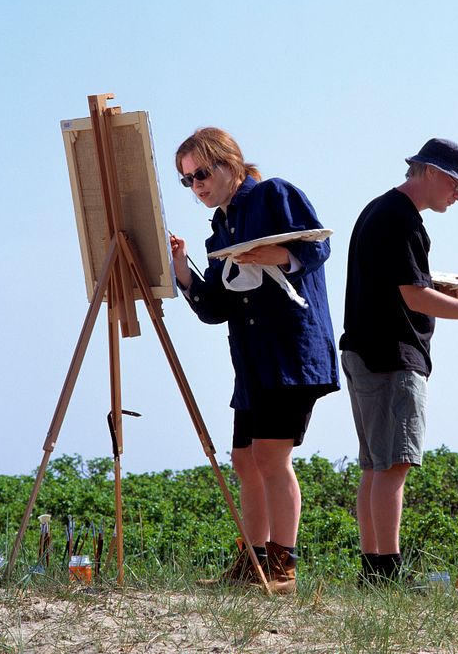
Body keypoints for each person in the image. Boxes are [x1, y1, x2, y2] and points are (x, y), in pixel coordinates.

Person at [340, 137, 458, 583]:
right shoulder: (402, 219)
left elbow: (404, 283)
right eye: (457, 185)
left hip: (365, 350)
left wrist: (445, 290)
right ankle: (388, 571)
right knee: (395, 464)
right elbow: (414, 296)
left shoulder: (379, 210)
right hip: (392, 355)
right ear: (431, 172)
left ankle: (373, 570)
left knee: (376, 465)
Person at [170, 127, 339, 593]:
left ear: (229, 163)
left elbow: (319, 246)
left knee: (269, 456)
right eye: (187, 180)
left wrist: (278, 253)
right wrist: (182, 267)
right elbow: (213, 308)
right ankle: (256, 562)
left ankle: (283, 567)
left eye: (202, 173)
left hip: (291, 354)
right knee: (244, 460)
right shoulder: (218, 230)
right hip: (251, 361)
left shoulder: (273, 193)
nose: (196, 185)